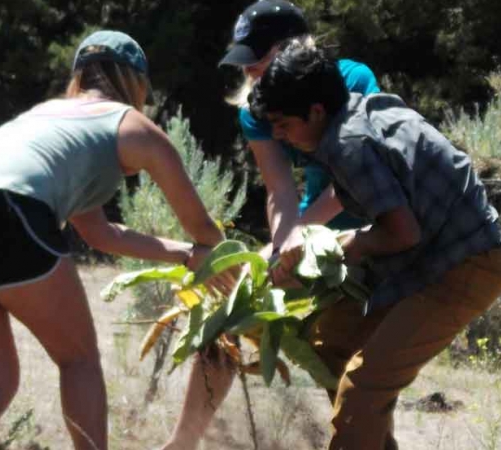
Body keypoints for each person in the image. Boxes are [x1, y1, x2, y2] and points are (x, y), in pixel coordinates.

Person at [0, 30, 232, 450]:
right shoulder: (132, 125)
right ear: (136, 83)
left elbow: (98, 232)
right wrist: (225, 256)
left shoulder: (49, 116)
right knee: (78, 360)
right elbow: (202, 227)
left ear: (79, 76)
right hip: (9, 214)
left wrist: (188, 256)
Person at [244, 41, 501, 449]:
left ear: (315, 111)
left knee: (361, 389)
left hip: (464, 264)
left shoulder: (348, 142)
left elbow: (402, 233)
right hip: (428, 257)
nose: (279, 136)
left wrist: (344, 246)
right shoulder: (353, 112)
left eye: (283, 124)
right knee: (329, 345)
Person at [161, 1, 381, 448]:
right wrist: (283, 245)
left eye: (257, 61)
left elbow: (354, 178)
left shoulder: (353, 80)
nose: (252, 73)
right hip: (310, 229)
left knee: (346, 356)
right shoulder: (253, 111)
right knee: (226, 318)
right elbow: (279, 189)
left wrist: (294, 240)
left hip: (372, 226)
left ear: (288, 48)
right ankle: (181, 444)